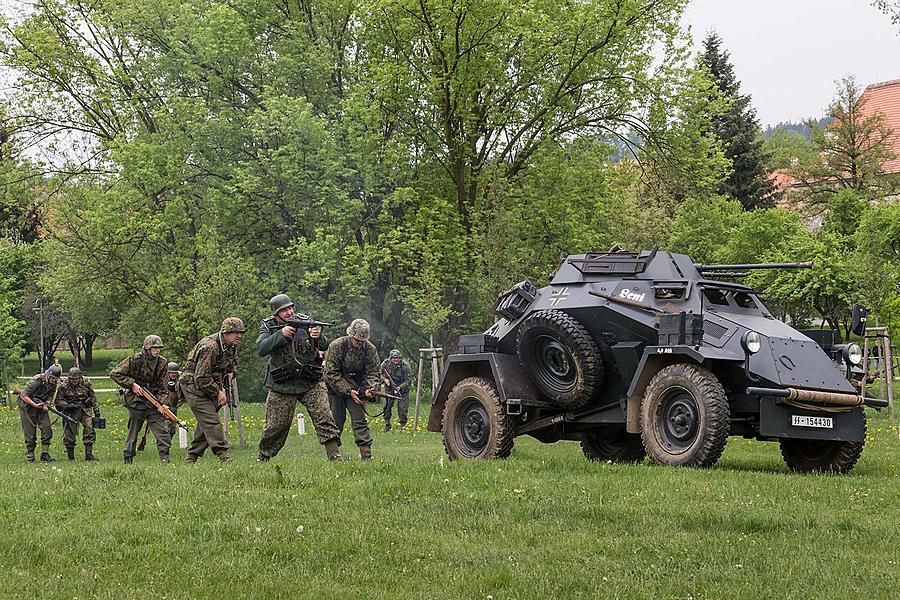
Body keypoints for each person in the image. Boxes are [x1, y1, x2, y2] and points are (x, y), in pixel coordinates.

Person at [257, 294, 342, 462]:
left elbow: (326, 346)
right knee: (276, 426)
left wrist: (318, 336)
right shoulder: (268, 326)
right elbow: (261, 348)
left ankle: (335, 456)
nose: (289, 312)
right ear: (276, 313)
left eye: (290, 308)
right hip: (283, 383)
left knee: (324, 416)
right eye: (284, 310)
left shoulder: (306, 321)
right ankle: (263, 457)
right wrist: (281, 334)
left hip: (310, 380)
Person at [179, 318, 244, 463]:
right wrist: (218, 392)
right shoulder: (211, 346)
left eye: (241, 332)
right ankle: (224, 455)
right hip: (192, 386)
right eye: (236, 332)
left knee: (206, 423)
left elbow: (231, 365)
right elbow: (201, 377)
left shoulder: (230, 346)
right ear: (226, 332)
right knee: (211, 421)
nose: (239, 336)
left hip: (208, 385)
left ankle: (191, 458)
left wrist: (231, 373)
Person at [110, 335, 171, 464]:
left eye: (159, 348)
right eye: (155, 348)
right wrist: (132, 384)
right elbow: (115, 373)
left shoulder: (162, 362)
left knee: (162, 432)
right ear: (147, 348)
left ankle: (165, 459)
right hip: (136, 402)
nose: (158, 350)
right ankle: (128, 457)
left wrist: (163, 404)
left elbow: (163, 386)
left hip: (155, 401)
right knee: (133, 432)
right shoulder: (135, 359)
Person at [324, 318, 380, 460]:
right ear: (350, 335)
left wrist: (369, 389)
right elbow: (331, 373)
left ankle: (366, 454)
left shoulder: (370, 350)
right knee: (335, 422)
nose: (359, 343)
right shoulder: (337, 346)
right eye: (356, 340)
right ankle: (333, 455)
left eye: (362, 341)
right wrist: (348, 391)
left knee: (360, 421)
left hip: (358, 388)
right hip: (335, 390)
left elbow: (373, 372)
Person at [17, 365, 61, 462]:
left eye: (56, 379)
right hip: (27, 405)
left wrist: (47, 405)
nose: (55, 381)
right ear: (48, 375)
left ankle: (44, 454)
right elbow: (24, 395)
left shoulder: (53, 384)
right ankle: (31, 456)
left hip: (40, 405)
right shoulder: (36, 381)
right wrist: (34, 404)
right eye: (53, 378)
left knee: (47, 428)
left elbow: (50, 396)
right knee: (30, 432)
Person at [56, 367, 99, 461]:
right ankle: (71, 457)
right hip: (71, 411)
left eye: (76, 379)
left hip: (85, 408)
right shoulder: (63, 386)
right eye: (72, 379)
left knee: (89, 429)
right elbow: (58, 401)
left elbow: (93, 396)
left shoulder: (86, 382)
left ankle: (89, 454)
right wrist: (68, 405)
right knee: (69, 433)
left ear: (80, 378)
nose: (74, 381)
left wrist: (96, 411)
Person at [380, 349, 413, 431]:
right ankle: (387, 424)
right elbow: (378, 373)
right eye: (394, 358)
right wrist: (384, 379)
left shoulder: (405, 366)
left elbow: (408, 381)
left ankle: (403, 425)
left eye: (397, 358)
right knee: (387, 406)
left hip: (402, 389)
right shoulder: (385, 364)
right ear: (390, 358)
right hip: (389, 388)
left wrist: (400, 387)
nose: (396, 359)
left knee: (402, 408)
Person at [165, 362, 183, 436]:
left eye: (175, 373)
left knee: (172, 429)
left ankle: (169, 443)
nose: (173, 374)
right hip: (165, 406)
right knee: (166, 427)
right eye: (171, 373)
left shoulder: (180, 381)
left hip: (174, 406)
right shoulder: (163, 380)